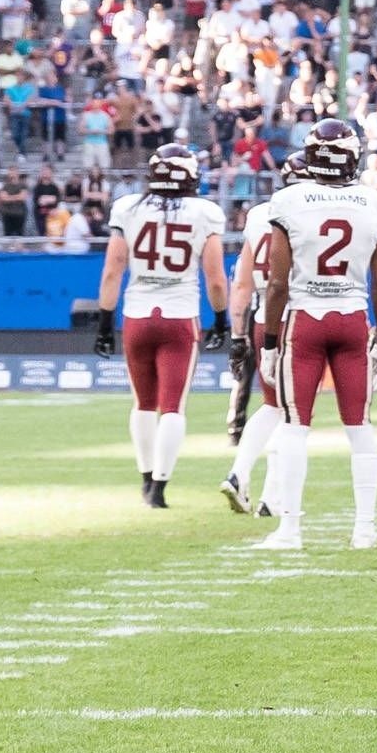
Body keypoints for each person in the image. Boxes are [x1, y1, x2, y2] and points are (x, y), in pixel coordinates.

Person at [256, 118, 377, 552]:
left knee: (296, 426)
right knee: (359, 426)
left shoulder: (288, 200)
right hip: (353, 318)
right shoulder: (376, 204)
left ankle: (290, 530)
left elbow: (277, 284)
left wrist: (268, 340)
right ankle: (365, 529)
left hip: (306, 320)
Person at [92, 142, 229, 509]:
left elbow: (112, 270)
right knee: (172, 406)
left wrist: (105, 321)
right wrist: (221, 318)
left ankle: (144, 476)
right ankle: (160, 487)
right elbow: (215, 278)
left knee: (143, 403)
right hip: (180, 316)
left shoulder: (128, 208)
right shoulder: (205, 212)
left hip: (137, 314)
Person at [218, 182, 296, 516]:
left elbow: (241, 283)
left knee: (273, 406)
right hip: (297, 315)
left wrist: (238, 334)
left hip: (262, 315)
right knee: (294, 412)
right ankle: (272, 498)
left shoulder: (259, 215)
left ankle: (241, 475)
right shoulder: (308, 210)